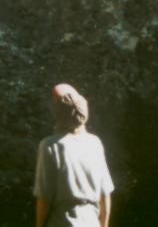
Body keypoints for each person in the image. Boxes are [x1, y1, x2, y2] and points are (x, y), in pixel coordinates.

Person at [34, 83, 114, 227]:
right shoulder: (94, 143)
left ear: (58, 113)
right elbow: (105, 194)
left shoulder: (50, 145)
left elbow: (44, 198)